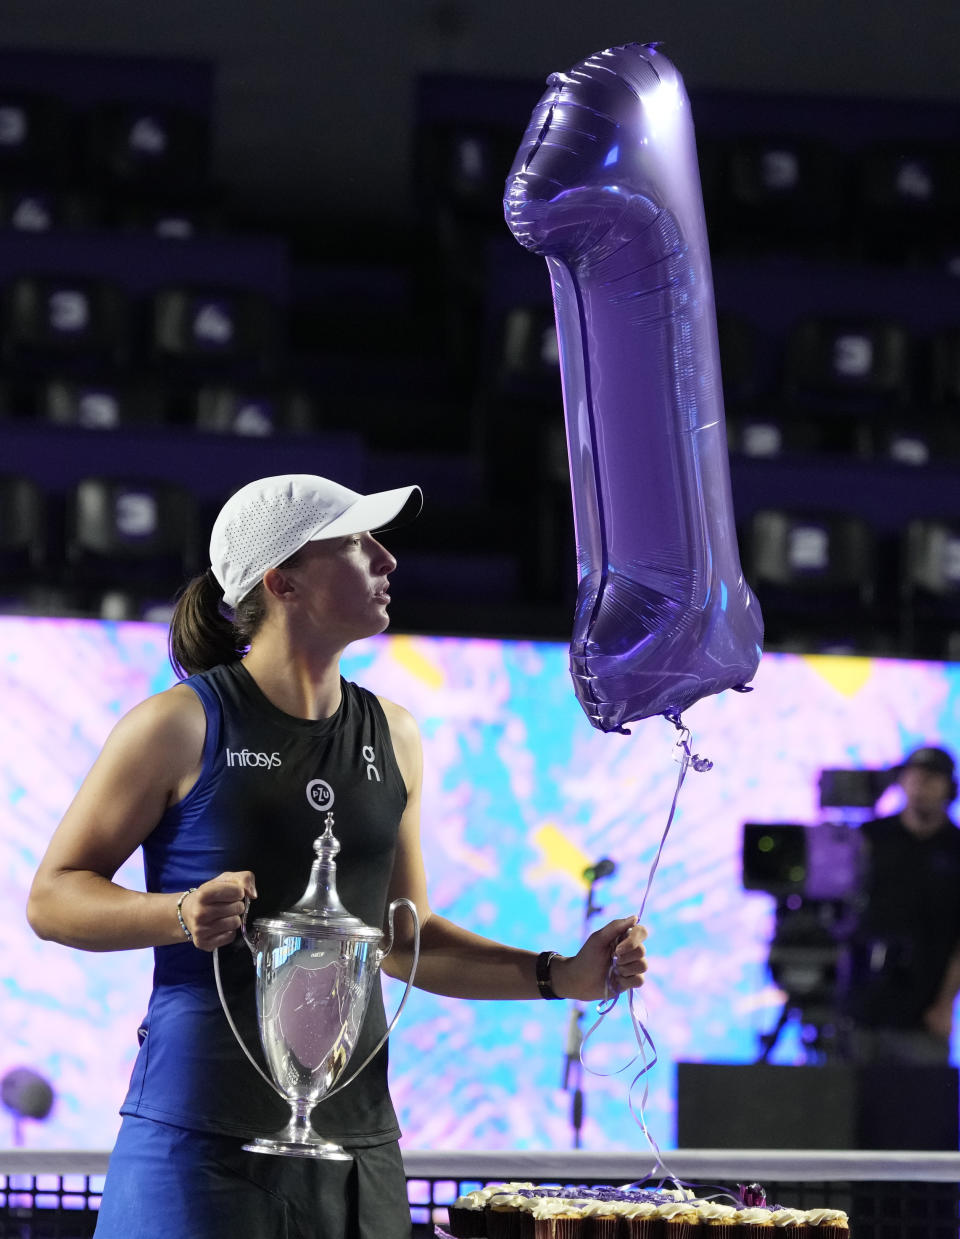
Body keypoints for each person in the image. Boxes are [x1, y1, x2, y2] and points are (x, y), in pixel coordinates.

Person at [26, 473, 649, 1239]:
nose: (386, 560)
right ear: (281, 579)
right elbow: (52, 897)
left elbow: (403, 941)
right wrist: (177, 911)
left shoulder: (398, 735)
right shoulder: (176, 724)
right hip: (196, 1147)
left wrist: (564, 976)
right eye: (357, 542)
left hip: (357, 1155)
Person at [845, 744, 960, 1065]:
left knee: (918, 1110)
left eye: (932, 780)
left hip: (924, 1016)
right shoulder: (870, 838)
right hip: (860, 1008)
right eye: (915, 778)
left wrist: (945, 1004)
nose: (922, 787)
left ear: (949, 788)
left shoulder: (955, 849)